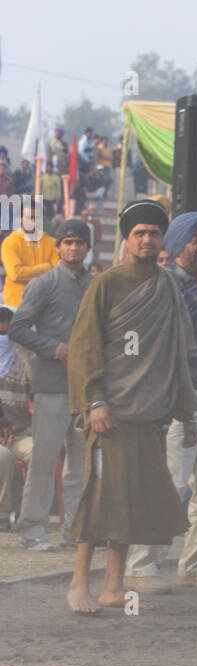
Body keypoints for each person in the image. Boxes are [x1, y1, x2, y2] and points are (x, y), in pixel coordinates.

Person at [65, 199, 197, 614]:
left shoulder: (169, 289)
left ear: (162, 241)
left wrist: (186, 411)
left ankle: (113, 586)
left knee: (129, 502)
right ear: (127, 239)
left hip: (148, 419)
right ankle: (77, 583)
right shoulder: (105, 284)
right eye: (140, 233)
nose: (147, 239)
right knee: (100, 496)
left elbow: (175, 355)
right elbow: (84, 347)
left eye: (154, 233)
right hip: (109, 418)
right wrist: (95, 402)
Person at [126, 210, 197, 591]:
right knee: (172, 485)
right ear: (177, 247)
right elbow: (166, 327)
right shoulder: (165, 282)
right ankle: (141, 565)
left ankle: (194, 565)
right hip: (179, 400)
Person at [8, 218, 93, 548]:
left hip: (86, 388)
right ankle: (32, 530)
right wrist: (54, 348)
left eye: (79, 242)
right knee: (44, 460)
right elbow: (18, 329)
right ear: (57, 247)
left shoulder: (94, 285)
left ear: (87, 248)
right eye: (67, 242)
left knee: (81, 465)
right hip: (51, 385)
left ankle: (74, 531)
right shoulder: (44, 284)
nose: (74, 248)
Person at [0, 304, 33, 531]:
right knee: (1, 457)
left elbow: (38, 390)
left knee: (40, 453)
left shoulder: (23, 361)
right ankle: (2, 516)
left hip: (20, 434)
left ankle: (28, 516)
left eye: (7, 334)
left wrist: (27, 353)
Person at [0, 206, 60, 308]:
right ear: (20, 218)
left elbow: (59, 272)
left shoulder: (52, 243)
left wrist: (27, 273)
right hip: (16, 305)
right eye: (29, 217)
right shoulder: (10, 242)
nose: (33, 221)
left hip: (45, 305)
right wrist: (46, 267)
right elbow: (15, 274)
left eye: (37, 217)